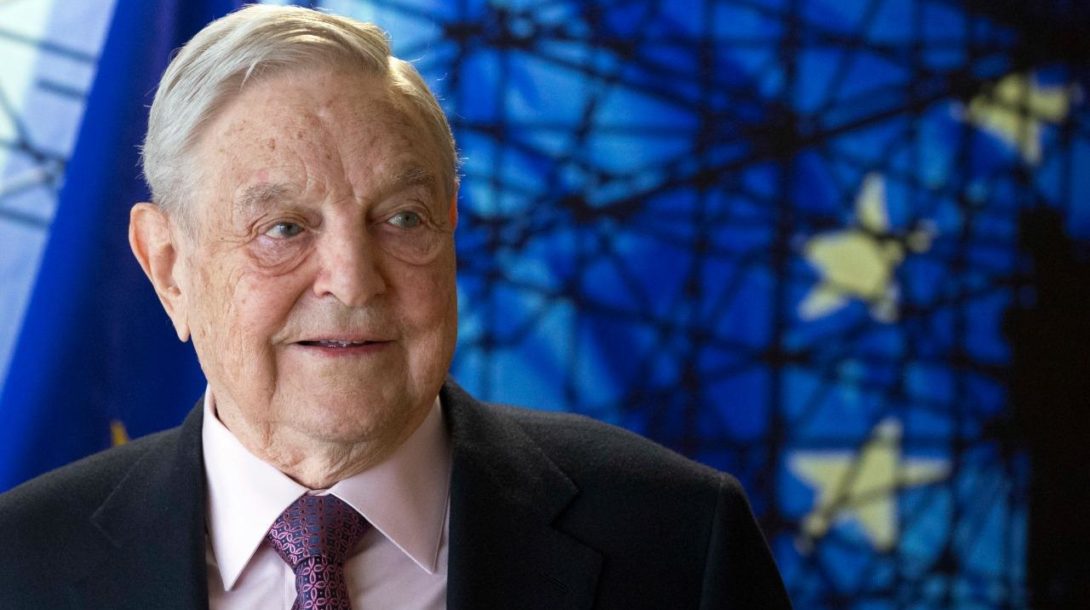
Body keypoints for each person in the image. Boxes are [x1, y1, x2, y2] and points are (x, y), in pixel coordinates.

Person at [0, 5, 791, 609]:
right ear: (169, 268)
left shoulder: (680, 541)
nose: (353, 282)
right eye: (284, 229)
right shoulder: (20, 564)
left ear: (451, 228)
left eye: (402, 219)